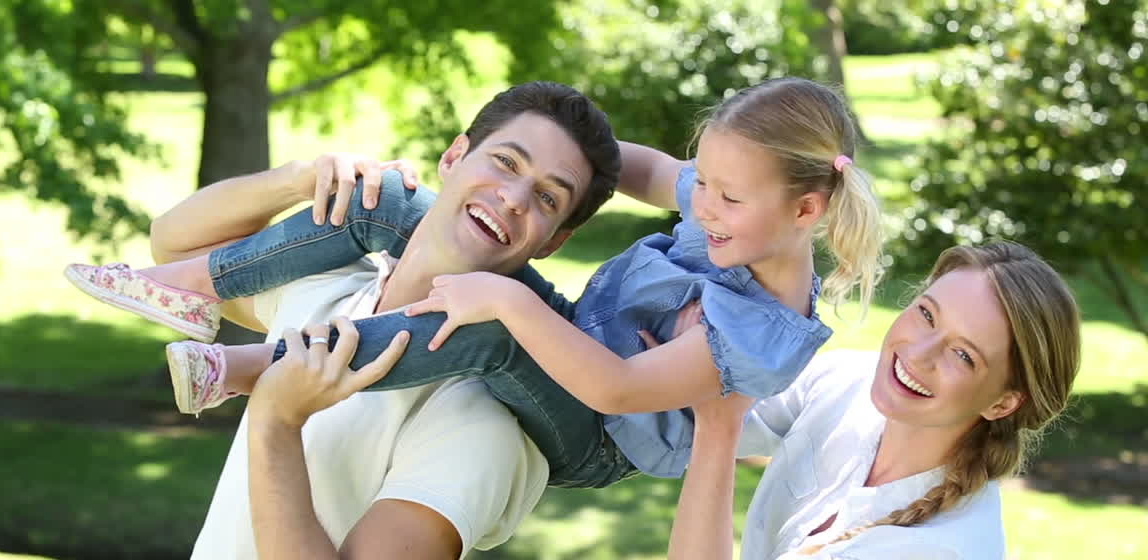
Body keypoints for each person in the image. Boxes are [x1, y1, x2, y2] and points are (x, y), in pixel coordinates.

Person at [66, 76, 887, 490]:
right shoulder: (730, 201)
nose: (698, 202)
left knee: (494, 322)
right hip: (574, 334)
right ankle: (176, 283)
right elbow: (635, 166)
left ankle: (252, 369)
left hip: (597, 431)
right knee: (389, 203)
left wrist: (504, 296)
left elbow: (618, 385)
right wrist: (548, 138)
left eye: (723, 195)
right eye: (701, 179)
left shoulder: (763, 328)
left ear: (807, 208)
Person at [112, 81, 622, 560]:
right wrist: (299, 181)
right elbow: (177, 251)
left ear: (553, 242)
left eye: (547, 197)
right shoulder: (334, 289)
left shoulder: (481, 421)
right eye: (505, 161)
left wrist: (275, 418)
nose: (513, 198)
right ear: (453, 157)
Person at [662, 242, 1082, 560]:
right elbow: (681, 420)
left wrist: (718, 426)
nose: (919, 355)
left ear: (1002, 403)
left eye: (963, 355)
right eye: (927, 314)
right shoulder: (850, 382)